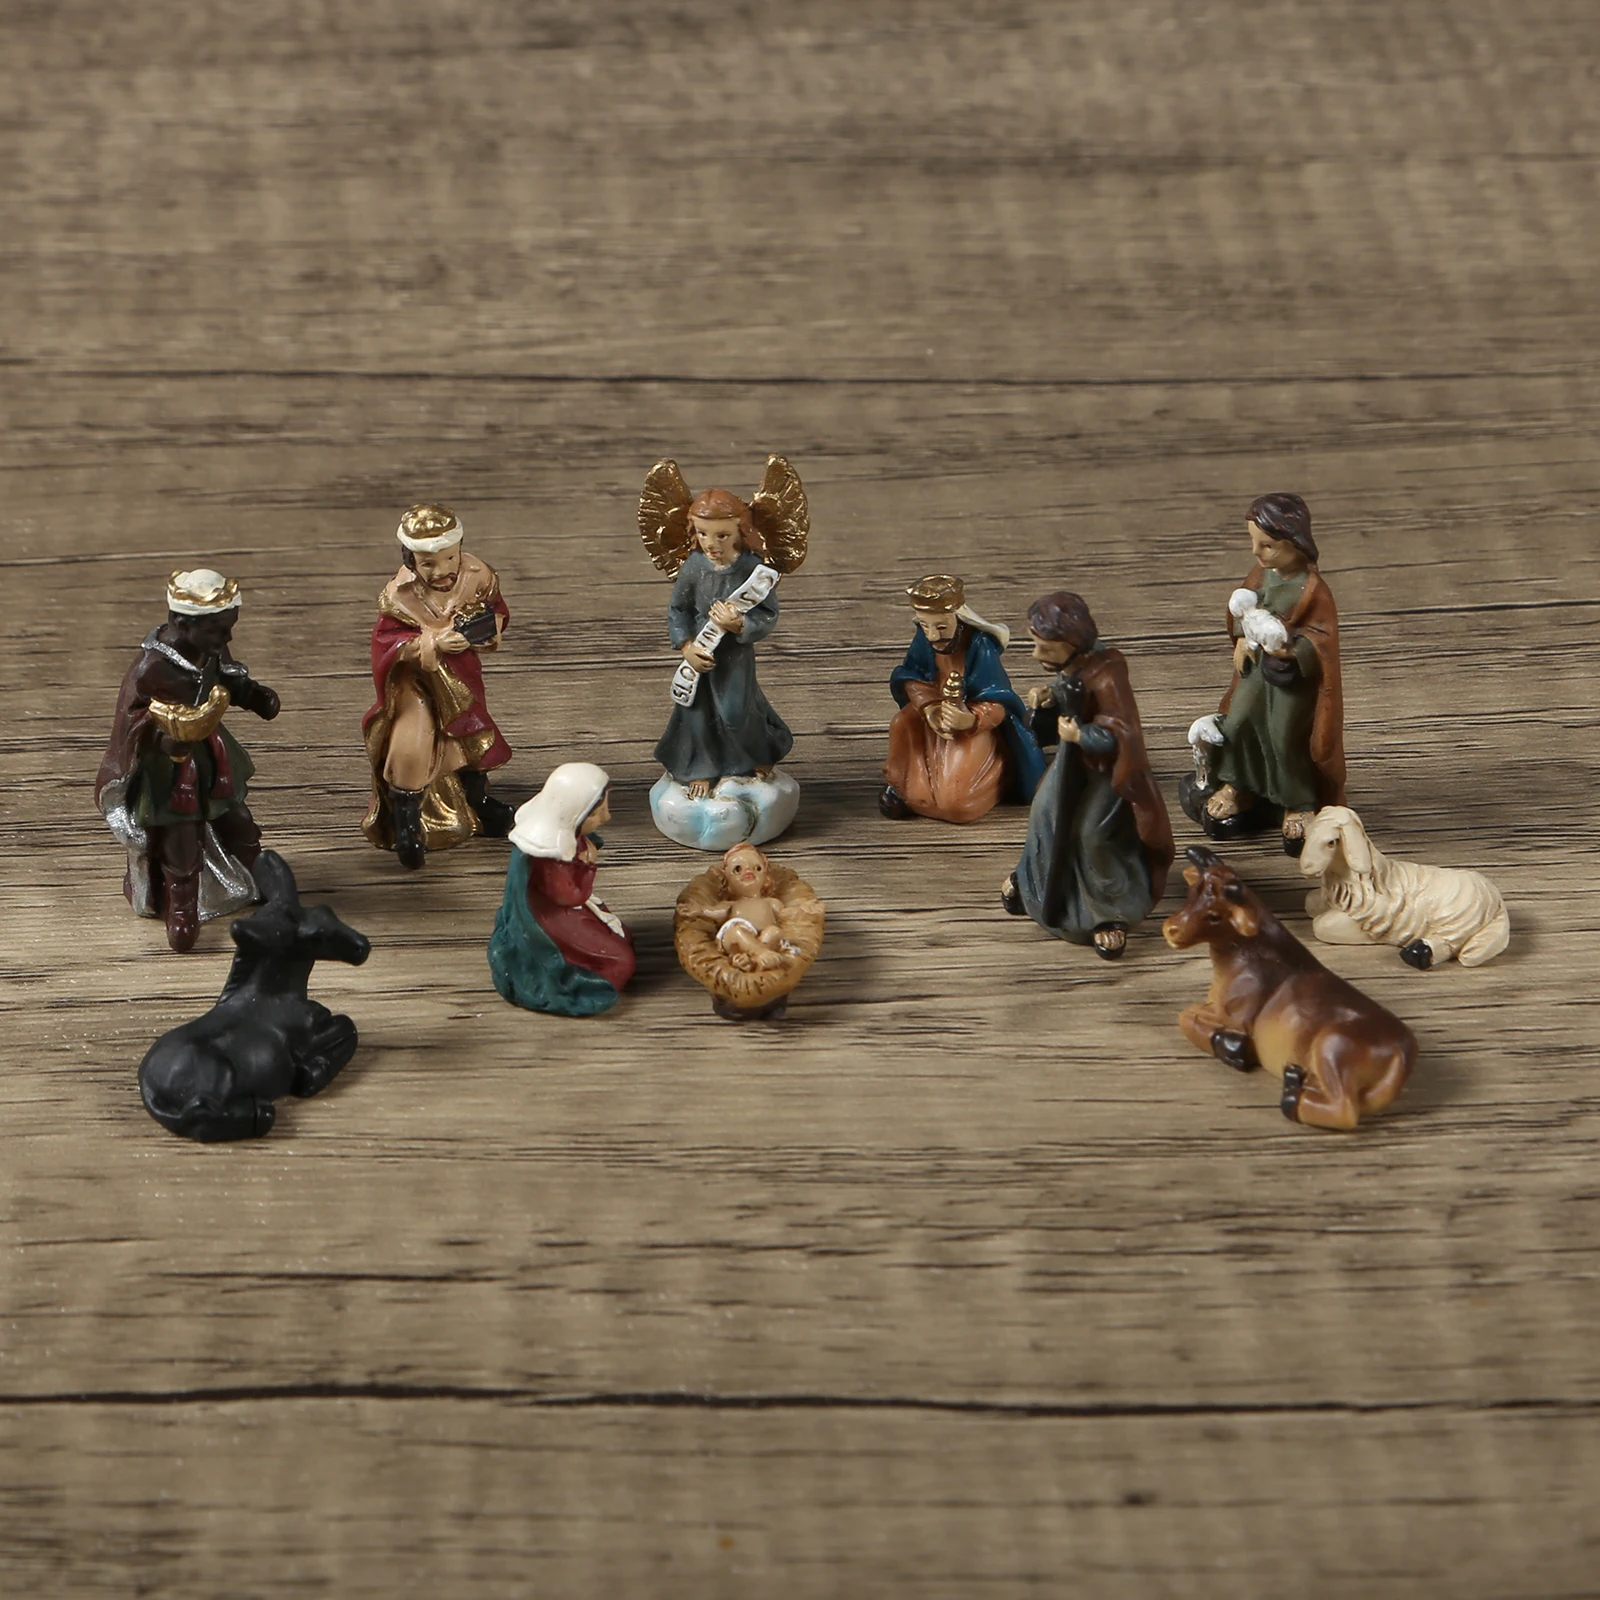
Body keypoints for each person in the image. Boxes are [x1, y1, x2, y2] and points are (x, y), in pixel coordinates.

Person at [96, 569, 280, 952]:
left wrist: (256, 696)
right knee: (180, 840)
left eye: (228, 628)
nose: (226, 639)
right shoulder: (152, 669)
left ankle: (260, 877)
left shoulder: (210, 648)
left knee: (237, 819)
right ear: (182, 622)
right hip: (165, 770)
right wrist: (164, 738)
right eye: (217, 630)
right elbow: (133, 722)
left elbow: (229, 680)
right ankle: (182, 906)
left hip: (210, 755)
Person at [1001, 592, 1174, 958]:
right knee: (1044, 811)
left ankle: (1110, 914)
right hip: (1072, 763)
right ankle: (1034, 883)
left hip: (1107, 774)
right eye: (1036, 645)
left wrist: (1081, 735)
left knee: (1091, 834)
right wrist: (1050, 696)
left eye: (1046, 649)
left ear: (1073, 644)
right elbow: (1074, 691)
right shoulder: (1076, 664)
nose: (1036, 655)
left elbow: (1120, 733)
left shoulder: (1109, 674)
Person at [1185, 493, 1345, 852]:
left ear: (1295, 543)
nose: (1257, 552)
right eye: (1254, 542)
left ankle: (1297, 801)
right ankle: (1240, 785)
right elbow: (1243, 611)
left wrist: (1291, 650)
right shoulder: (1261, 575)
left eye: (1268, 545)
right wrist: (1242, 639)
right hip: (1256, 670)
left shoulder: (1313, 590)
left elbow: (1321, 639)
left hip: (1290, 681)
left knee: (1282, 734)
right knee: (1238, 721)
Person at [361, 504, 513, 870]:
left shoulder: (477, 575)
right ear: (411, 560)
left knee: (471, 735)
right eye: (428, 563)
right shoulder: (399, 595)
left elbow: (497, 611)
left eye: (449, 558)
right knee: (411, 746)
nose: (442, 571)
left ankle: (476, 799)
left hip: (459, 677)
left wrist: (482, 631)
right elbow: (387, 644)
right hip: (416, 682)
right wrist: (432, 643)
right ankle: (407, 823)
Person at [653, 488, 793, 798]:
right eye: (702, 533)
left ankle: (754, 755)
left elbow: (768, 613)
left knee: (736, 711)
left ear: (741, 532)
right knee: (696, 711)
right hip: (701, 650)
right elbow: (678, 609)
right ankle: (701, 769)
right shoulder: (693, 566)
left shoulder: (751, 570)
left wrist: (739, 624)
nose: (711, 544)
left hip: (734, 654)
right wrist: (687, 647)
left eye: (722, 536)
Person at [880, 574, 1044, 823]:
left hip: (974, 724)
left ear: (958, 618)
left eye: (941, 627)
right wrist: (929, 707)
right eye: (925, 626)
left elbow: (999, 702)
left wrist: (969, 720)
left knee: (958, 803)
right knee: (902, 723)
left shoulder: (980, 646)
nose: (933, 636)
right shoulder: (925, 639)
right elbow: (911, 676)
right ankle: (904, 790)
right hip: (934, 714)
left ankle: (997, 777)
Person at [488, 763, 636, 1017]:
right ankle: (577, 983)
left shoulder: (570, 839)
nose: (607, 817)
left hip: (568, 910)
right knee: (621, 962)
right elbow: (570, 896)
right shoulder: (550, 852)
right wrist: (588, 866)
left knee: (620, 938)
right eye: (596, 813)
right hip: (550, 918)